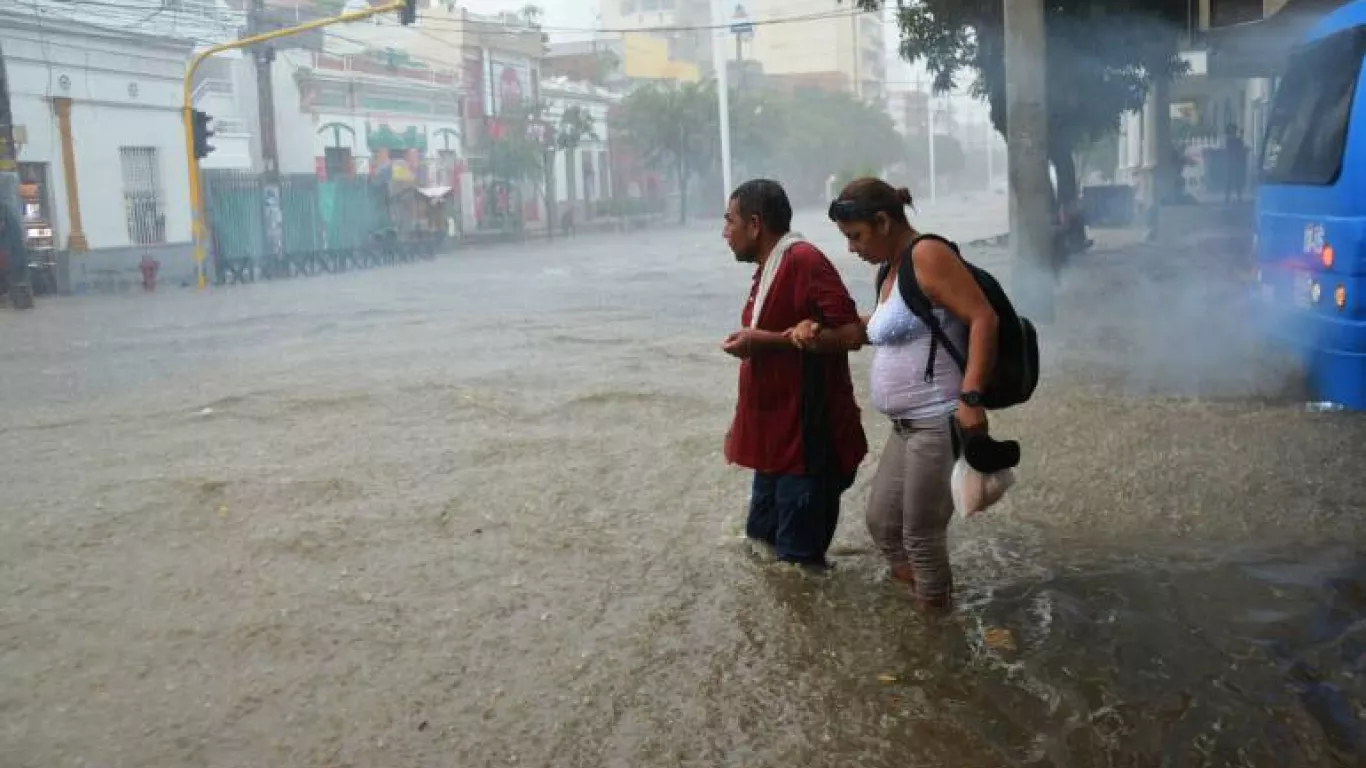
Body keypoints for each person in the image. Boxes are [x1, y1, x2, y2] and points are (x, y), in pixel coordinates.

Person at [799, 177, 998, 611]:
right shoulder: (890, 270)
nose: (852, 248)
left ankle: (936, 633)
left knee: (921, 536)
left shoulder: (928, 255)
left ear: (883, 221)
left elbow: (983, 318)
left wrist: (971, 398)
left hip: (938, 419)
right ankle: (926, 607)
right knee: (883, 526)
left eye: (856, 236)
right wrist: (821, 331)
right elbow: (882, 328)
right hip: (906, 428)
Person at [721, 179, 868, 569]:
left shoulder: (804, 260)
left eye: (730, 220)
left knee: (800, 569)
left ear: (755, 225)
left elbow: (851, 334)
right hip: (775, 444)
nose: (724, 232)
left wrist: (769, 340)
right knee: (760, 548)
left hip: (809, 446)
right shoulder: (769, 268)